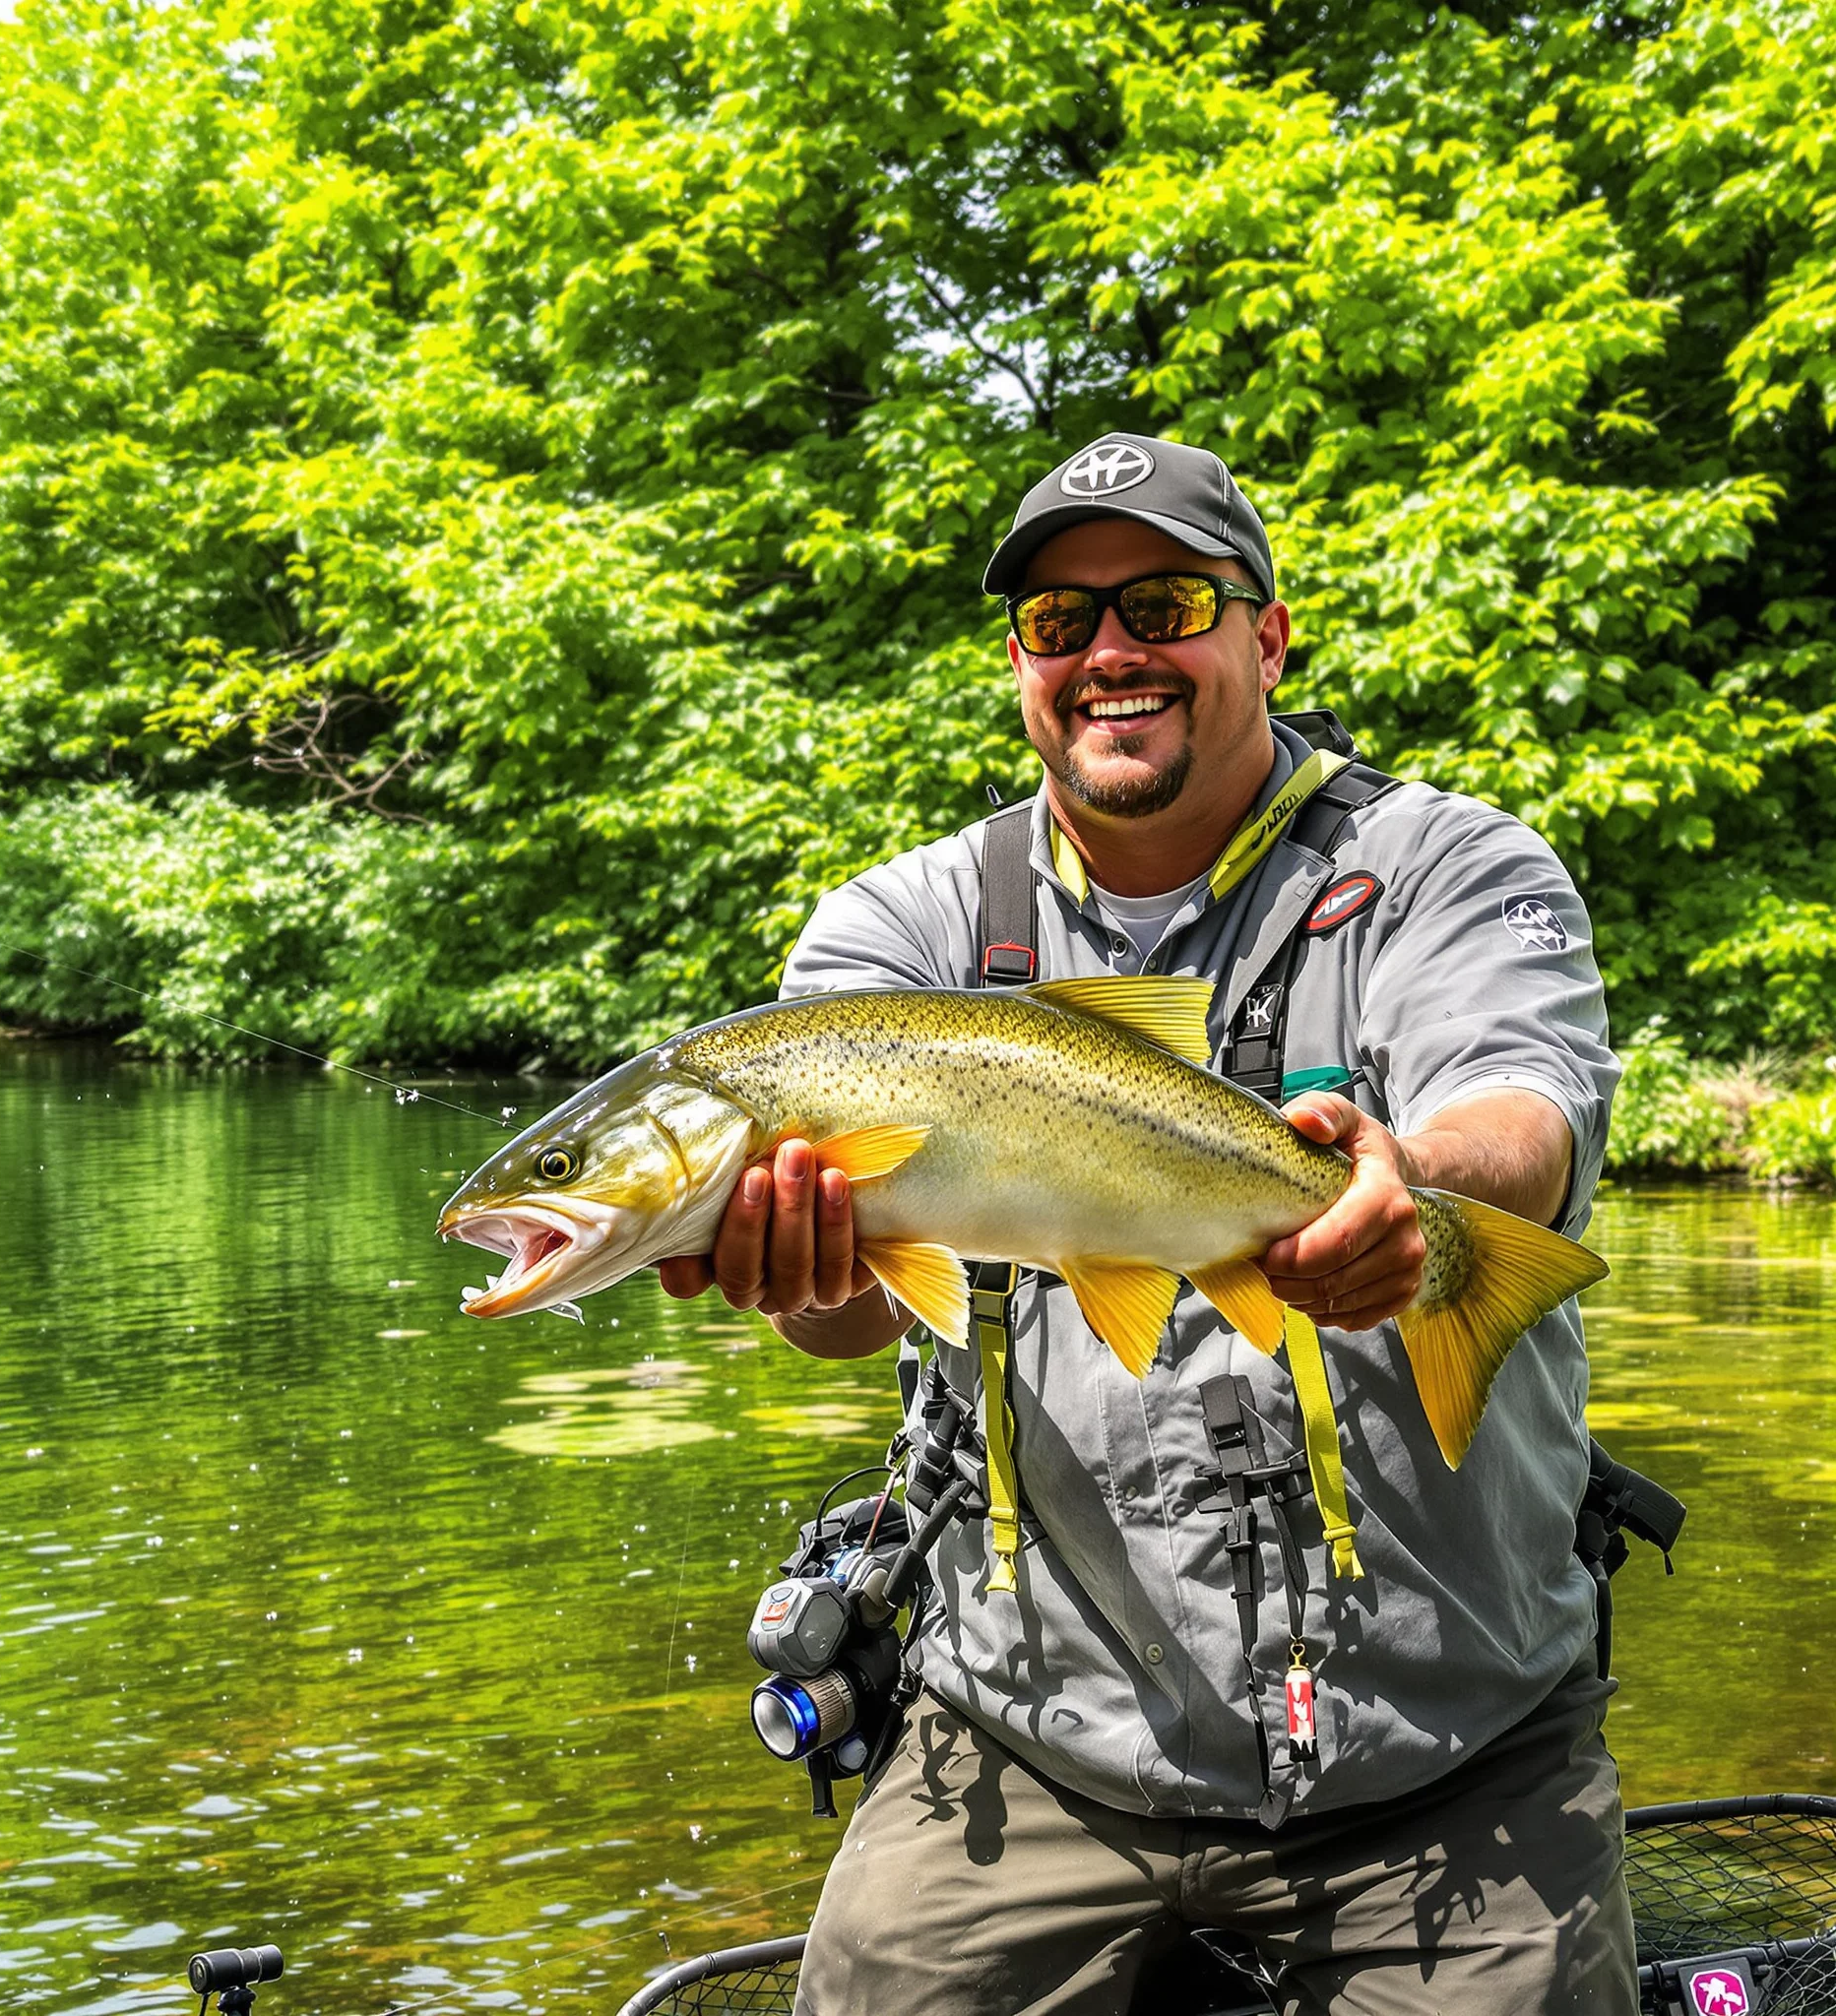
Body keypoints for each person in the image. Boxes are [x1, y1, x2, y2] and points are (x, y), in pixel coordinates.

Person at [659, 433, 1635, 2015]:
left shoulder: (1448, 864)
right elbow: (849, 1309)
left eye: (1164, 602)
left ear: (1268, 631)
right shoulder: (896, 935)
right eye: (1059, 622)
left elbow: (1523, 1106)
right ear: (1021, 667)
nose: (1109, 652)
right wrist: (794, 1277)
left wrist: (1421, 1192)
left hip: (1452, 1765)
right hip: (1033, 1758)